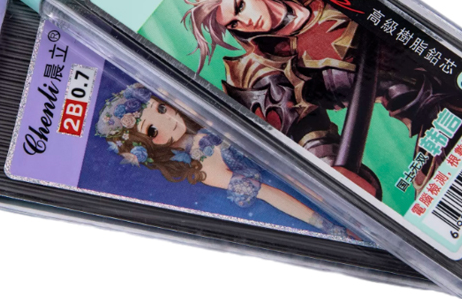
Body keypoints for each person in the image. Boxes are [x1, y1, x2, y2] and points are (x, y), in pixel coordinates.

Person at [182, 0, 462, 193]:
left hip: (446, 48)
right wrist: (333, 171)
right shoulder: (266, 68)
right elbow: (307, 133)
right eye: (234, 23)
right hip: (434, 111)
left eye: (240, 6)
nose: (246, 22)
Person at [95, 83, 349, 237]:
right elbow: (270, 194)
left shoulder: (196, 112)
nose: (168, 120)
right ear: (148, 148)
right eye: (152, 130)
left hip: (286, 126)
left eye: (161, 109)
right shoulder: (205, 168)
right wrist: (325, 225)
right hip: (300, 169)